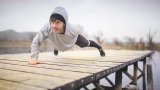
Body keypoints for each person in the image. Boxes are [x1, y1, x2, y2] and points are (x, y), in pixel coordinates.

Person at [29, 7, 105, 65]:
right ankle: (56, 48)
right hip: (57, 42)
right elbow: (36, 41)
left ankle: (100, 48)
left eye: (58, 22)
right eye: (52, 22)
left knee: (85, 43)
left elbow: (81, 27)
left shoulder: (74, 29)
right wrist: (33, 58)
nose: (54, 26)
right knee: (56, 41)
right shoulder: (47, 28)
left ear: (64, 23)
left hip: (73, 39)